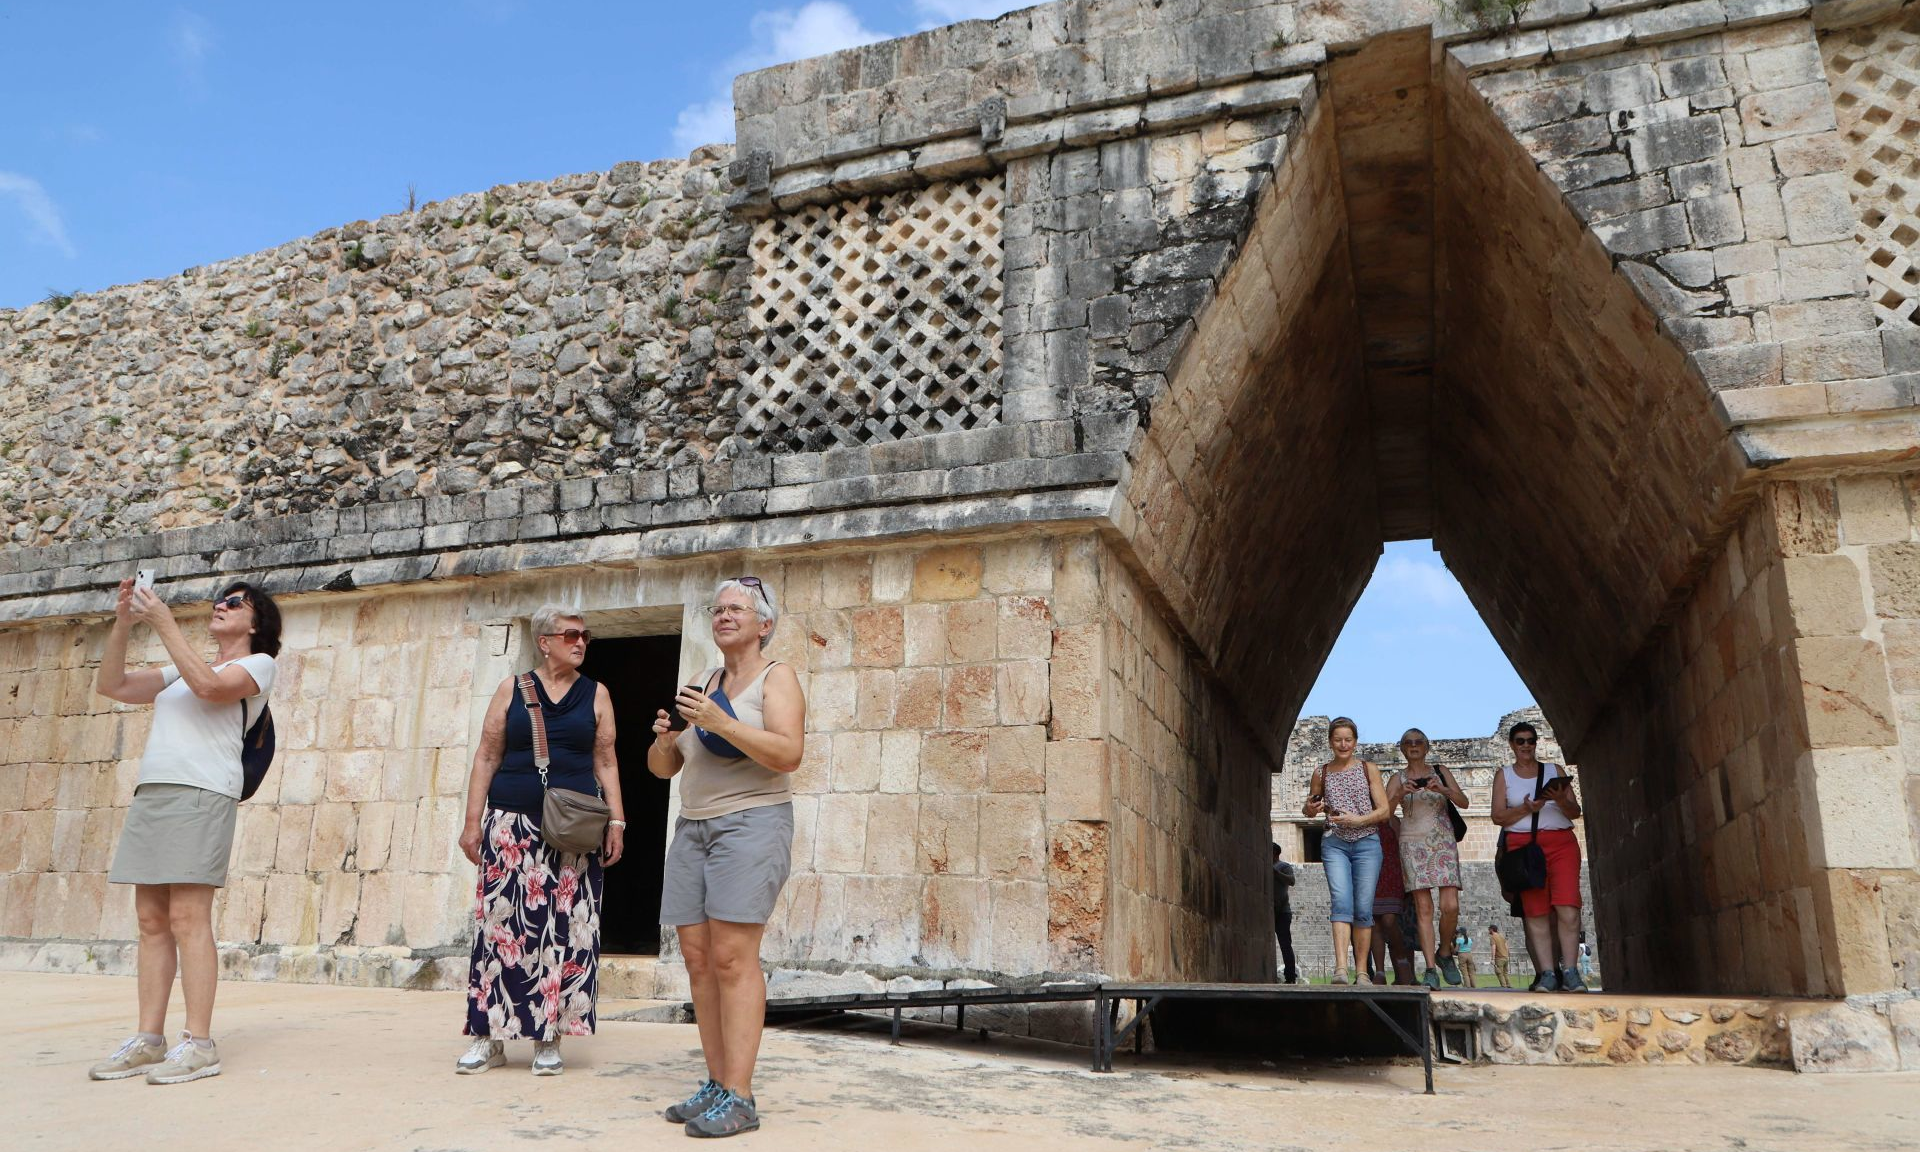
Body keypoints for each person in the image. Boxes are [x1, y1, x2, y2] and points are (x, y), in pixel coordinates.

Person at [90, 578, 282, 1085]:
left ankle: (199, 1044)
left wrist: (164, 622)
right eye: (220, 599)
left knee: (188, 916)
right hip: (154, 792)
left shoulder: (259, 665)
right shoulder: (180, 668)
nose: (220, 605)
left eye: (234, 603)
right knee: (151, 919)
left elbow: (211, 688)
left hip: (202, 793)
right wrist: (124, 624)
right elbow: (113, 685)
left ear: (256, 622)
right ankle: (148, 1040)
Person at [649, 577, 806, 1139]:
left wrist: (724, 723)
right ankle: (716, 1083)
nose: (723, 616)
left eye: (736, 608)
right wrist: (666, 741)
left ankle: (740, 1095)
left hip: (752, 822)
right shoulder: (700, 681)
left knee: (735, 959)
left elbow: (789, 754)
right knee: (697, 959)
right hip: (694, 826)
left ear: (763, 624)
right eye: (717, 609)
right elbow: (663, 770)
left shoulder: (776, 676)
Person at [456, 605, 626, 1075]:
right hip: (511, 826)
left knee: (565, 932)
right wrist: (473, 823)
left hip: (574, 832)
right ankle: (487, 1036)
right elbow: (487, 755)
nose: (581, 643)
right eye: (571, 634)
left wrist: (618, 822)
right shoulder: (511, 689)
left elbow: (606, 760)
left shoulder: (597, 694)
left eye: (586, 635)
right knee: (501, 931)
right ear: (544, 641)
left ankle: (547, 1037)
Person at [1490, 720, 1586, 992]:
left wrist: (1560, 799)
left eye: (1530, 740)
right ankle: (1547, 972)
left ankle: (1570, 970)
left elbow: (1574, 811)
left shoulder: (1553, 771)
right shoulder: (1504, 776)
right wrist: (1526, 809)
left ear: (1536, 743)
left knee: (1568, 907)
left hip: (1561, 843)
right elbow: (1498, 816)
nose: (1526, 746)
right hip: (1524, 847)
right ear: (1511, 744)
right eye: (1520, 741)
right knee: (1536, 911)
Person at [1301, 717, 1389, 985]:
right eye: (1338, 739)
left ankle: (1362, 970)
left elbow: (1384, 810)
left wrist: (1359, 820)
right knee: (1341, 903)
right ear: (1330, 742)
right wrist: (1310, 808)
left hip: (1366, 842)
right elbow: (1310, 807)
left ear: (1355, 741)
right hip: (1335, 842)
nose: (1343, 744)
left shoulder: (1368, 769)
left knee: (1363, 907)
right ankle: (1340, 968)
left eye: (1348, 739)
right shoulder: (1322, 772)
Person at [1386, 728, 1469, 989]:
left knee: (1450, 905)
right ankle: (1431, 968)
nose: (1413, 746)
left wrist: (1442, 789)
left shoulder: (1440, 770)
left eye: (1418, 742)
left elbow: (1464, 802)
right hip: (1411, 842)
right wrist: (1400, 794)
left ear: (1426, 746)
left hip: (1442, 840)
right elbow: (1384, 813)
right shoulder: (1396, 778)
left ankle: (1445, 951)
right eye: (1408, 742)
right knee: (1424, 909)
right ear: (1402, 748)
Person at [1368, 818, 1415, 984]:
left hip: (1391, 872)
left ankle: (1401, 960)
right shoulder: (1363, 818)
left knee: (1389, 919)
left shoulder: (1392, 821)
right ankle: (1380, 971)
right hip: (1370, 872)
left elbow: (1403, 850)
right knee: (1374, 923)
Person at [1271, 842, 1298, 984]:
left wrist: (1277, 874)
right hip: (1270, 910)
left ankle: (1290, 976)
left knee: (1285, 944)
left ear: (1275, 853)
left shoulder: (1284, 866)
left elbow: (1292, 881)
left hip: (1282, 912)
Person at [1490, 924, 1512, 989]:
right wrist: (1508, 954)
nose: (1488, 930)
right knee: (1505, 973)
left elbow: (1493, 948)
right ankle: (1508, 985)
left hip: (1499, 958)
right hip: (1505, 957)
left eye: (1489, 929)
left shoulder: (1493, 937)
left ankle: (1504, 986)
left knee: (1499, 973)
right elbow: (1506, 946)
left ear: (1492, 929)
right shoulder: (1501, 936)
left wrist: (1492, 959)